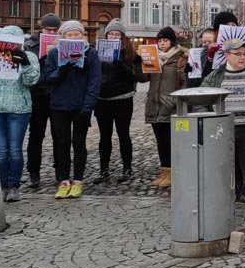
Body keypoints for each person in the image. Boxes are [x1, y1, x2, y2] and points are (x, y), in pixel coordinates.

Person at [201, 34, 245, 219]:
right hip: (223, 130)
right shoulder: (215, 77)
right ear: (226, 56)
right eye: (237, 54)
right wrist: (210, 117)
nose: (242, 57)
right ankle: (221, 201)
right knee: (223, 167)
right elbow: (201, 100)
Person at [0, 25, 39, 202]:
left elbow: (31, 81)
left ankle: (14, 186)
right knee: (1, 151)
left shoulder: (30, 56)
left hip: (19, 109)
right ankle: (2, 186)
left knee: (15, 150)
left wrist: (25, 63)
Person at [44, 19, 102, 199]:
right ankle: (63, 180)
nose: (74, 36)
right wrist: (64, 67)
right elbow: (48, 79)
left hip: (80, 106)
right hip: (59, 106)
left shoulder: (90, 53)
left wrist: (88, 106)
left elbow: (94, 81)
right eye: (70, 34)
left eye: (77, 34)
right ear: (63, 37)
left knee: (79, 143)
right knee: (61, 143)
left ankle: (78, 180)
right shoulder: (54, 54)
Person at [140, 26, 187, 189]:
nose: (162, 43)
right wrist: (139, 62)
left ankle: (174, 172)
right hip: (155, 105)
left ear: (172, 42)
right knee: (160, 141)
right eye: (160, 40)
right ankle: (165, 171)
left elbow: (184, 82)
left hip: (171, 105)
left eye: (165, 40)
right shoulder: (154, 58)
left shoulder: (179, 59)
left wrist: (176, 101)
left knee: (170, 141)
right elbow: (143, 78)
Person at [93, 19, 138, 184]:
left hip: (122, 99)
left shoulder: (129, 53)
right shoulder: (97, 51)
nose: (113, 36)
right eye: (111, 33)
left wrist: (119, 62)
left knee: (123, 134)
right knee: (104, 136)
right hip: (102, 99)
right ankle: (103, 170)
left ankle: (127, 168)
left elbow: (134, 76)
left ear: (122, 37)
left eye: (117, 34)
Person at [26, 12, 61, 189]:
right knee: (36, 136)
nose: (53, 33)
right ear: (42, 30)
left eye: (55, 30)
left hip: (57, 95)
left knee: (59, 137)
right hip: (37, 95)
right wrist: (41, 59)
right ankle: (33, 171)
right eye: (49, 29)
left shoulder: (63, 43)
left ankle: (60, 171)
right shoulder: (30, 45)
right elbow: (26, 71)